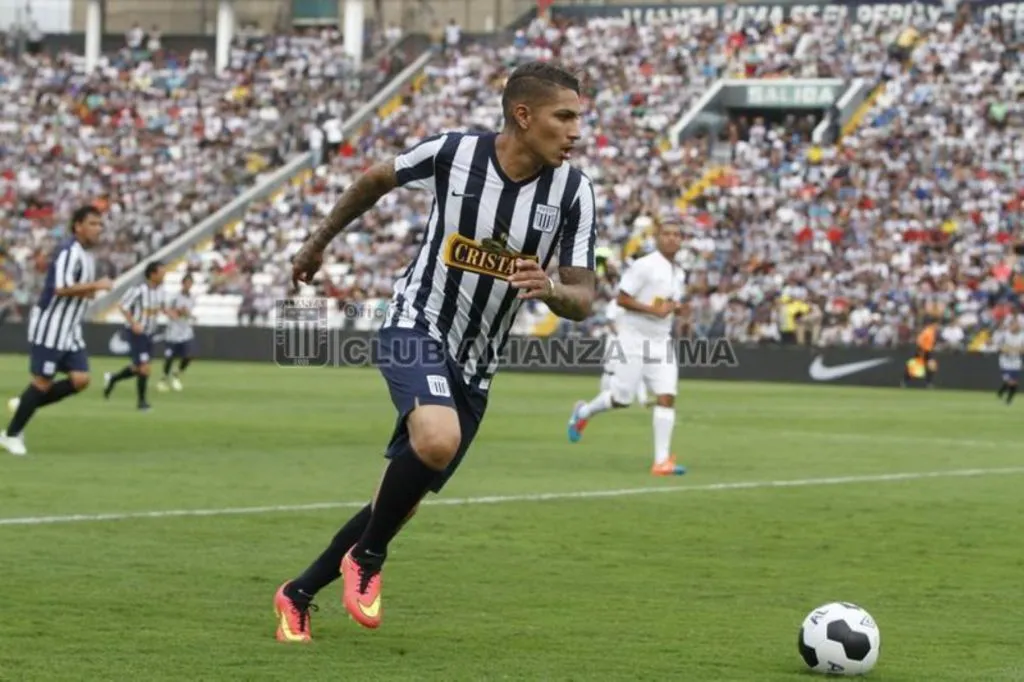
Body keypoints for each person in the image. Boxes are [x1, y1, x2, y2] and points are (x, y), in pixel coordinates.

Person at [273, 60, 597, 643]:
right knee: (436, 440)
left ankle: (298, 593)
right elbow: (375, 179)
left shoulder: (574, 192)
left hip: (478, 363)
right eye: (564, 116)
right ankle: (367, 561)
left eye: (579, 117)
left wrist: (550, 289)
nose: (577, 131)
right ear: (523, 116)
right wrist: (316, 244)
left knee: (399, 501)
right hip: (414, 323)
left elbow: (583, 297)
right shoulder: (456, 154)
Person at [567, 221, 687, 476]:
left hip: (661, 341)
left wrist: (675, 308)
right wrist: (653, 310)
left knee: (667, 395)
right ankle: (584, 412)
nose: (672, 238)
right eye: (667, 234)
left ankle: (661, 461)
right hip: (632, 338)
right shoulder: (645, 265)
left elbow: (670, 302)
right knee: (621, 399)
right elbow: (622, 298)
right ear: (657, 238)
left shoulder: (679, 273)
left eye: (677, 234)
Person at [0, 206, 112, 456]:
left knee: (81, 379)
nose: (98, 229)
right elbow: (60, 289)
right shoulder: (68, 252)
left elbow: (80, 290)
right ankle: (10, 435)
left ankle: (26, 404)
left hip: (70, 328)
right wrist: (96, 284)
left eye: (100, 224)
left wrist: (90, 290)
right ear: (78, 226)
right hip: (51, 325)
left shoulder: (86, 256)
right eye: (93, 224)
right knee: (43, 381)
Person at [103, 261, 166, 410]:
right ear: (152, 274)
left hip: (150, 333)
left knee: (138, 368)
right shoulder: (139, 289)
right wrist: (133, 323)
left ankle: (113, 378)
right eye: (161, 272)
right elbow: (123, 305)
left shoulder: (160, 290)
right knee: (145, 368)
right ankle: (141, 402)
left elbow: (160, 306)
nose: (164, 275)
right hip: (138, 333)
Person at [158, 273, 196, 392]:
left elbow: (188, 313)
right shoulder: (175, 297)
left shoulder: (192, 298)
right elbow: (165, 310)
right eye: (187, 283)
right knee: (170, 357)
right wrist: (176, 313)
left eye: (190, 283)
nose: (188, 285)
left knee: (189, 356)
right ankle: (164, 379)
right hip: (173, 332)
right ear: (182, 283)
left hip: (185, 331)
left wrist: (188, 314)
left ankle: (176, 375)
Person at [995, 316, 1024, 405]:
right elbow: (999, 348)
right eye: (1014, 325)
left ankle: (1005, 397)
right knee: (1010, 382)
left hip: (1016, 361)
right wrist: (1006, 349)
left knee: (1013, 383)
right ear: (1010, 326)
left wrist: (1013, 349)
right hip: (1005, 362)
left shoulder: (1022, 335)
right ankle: (1006, 398)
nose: (1016, 327)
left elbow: (1022, 350)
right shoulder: (1005, 335)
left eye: (1017, 325)